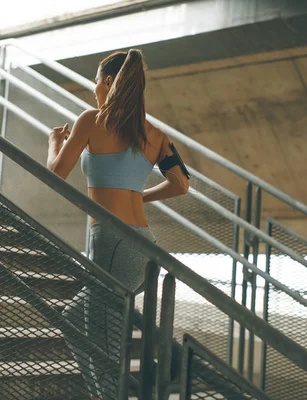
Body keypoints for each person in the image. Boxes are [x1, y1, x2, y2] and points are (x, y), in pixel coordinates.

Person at [47, 49, 190, 399]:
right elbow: (181, 183)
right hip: (143, 245)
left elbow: (55, 173)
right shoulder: (154, 133)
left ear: (108, 82)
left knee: (105, 349)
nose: (94, 91)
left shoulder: (91, 120)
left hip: (111, 244)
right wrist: (138, 197)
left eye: (96, 83)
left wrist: (54, 143)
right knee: (74, 319)